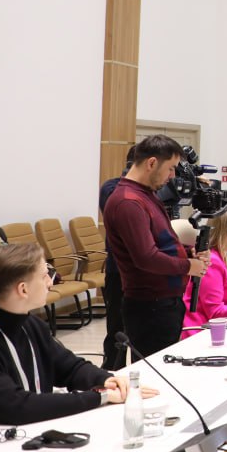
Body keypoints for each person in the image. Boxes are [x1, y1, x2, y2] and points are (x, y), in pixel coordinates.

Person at [0, 244, 158, 439]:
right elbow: (18, 406)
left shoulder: (31, 326)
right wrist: (101, 396)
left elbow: (69, 368)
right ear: (23, 289)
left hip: (32, 437)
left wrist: (105, 380)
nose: (50, 283)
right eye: (45, 275)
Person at [104, 135, 208, 358]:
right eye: (170, 168)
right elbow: (146, 257)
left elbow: (160, 242)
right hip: (150, 306)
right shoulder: (128, 202)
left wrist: (186, 252)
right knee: (155, 371)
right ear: (151, 163)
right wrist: (188, 266)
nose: (172, 176)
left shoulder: (145, 195)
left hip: (163, 303)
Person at [98, 145, 135, 370]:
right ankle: (110, 371)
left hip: (147, 273)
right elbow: (124, 211)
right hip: (118, 270)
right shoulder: (112, 188)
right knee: (116, 327)